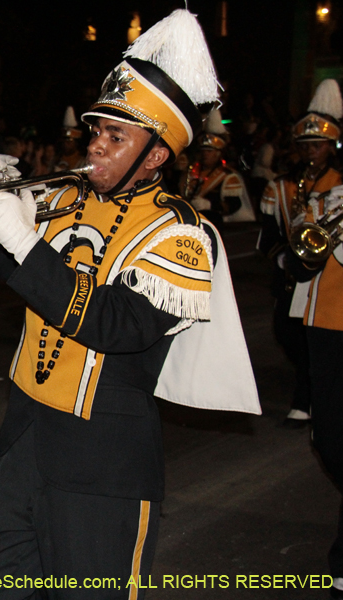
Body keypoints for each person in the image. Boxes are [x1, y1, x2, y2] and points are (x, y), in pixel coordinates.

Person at [0, 11, 259, 599]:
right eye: (97, 132)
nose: (96, 146)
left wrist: (22, 239)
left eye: (117, 137)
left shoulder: (183, 236)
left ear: (156, 155)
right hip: (25, 440)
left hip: (103, 467)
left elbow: (115, 324)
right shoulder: (63, 199)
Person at [271, 79, 343, 599]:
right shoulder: (316, 188)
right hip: (322, 318)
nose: (311, 153)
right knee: (328, 440)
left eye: (319, 143)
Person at [259, 80, 343, 431]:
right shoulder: (281, 184)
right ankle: (310, 389)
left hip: (327, 275)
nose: (312, 151)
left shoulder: (339, 183)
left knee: (318, 338)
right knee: (287, 333)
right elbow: (268, 234)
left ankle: (306, 398)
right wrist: (281, 256)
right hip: (292, 271)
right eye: (306, 144)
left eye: (319, 144)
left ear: (331, 145)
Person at [180, 108, 255, 227]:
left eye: (209, 151)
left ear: (218, 153)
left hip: (214, 224)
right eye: (203, 151)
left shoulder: (228, 176)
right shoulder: (192, 170)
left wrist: (209, 205)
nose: (205, 154)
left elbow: (233, 205)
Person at [54, 106, 86, 171]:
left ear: (76, 143)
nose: (66, 144)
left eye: (69, 142)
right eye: (64, 141)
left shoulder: (83, 162)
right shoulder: (56, 160)